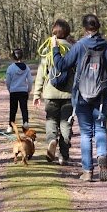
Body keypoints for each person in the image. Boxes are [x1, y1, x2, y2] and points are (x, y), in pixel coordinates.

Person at [51, 14, 107, 181]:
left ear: (85, 28)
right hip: (101, 95)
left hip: (81, 95)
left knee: (86, 133)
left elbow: (62, 65)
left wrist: (55, 49)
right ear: (98, 26)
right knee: (100, 129)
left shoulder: (79, 46)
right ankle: (102, 155)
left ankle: (87, 171)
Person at [33, 19, 75, 166]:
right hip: (68, 94)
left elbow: (41, 73)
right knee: (66, 124)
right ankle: (64, 155)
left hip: (50, 93)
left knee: (51, 120)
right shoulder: (72, 49)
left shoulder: (47, 49)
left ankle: (51, 140)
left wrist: (37, 94)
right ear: (67, 32)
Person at [5, 48, 33, 132]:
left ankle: (10, 126)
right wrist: (29, 90)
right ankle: (25, 123)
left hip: (13, 91)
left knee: (13, 109)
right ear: (22, 56)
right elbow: (30, 80)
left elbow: (8, 81)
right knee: (24, 108)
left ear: (13, 57)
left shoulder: (10, 68)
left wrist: (9, 89)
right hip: (23, 91)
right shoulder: (26, 68)